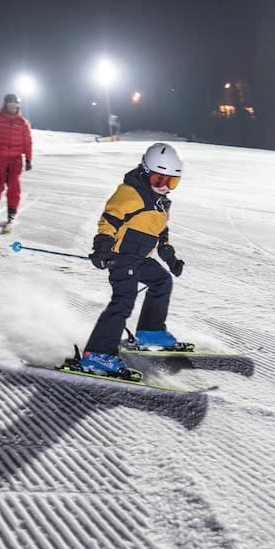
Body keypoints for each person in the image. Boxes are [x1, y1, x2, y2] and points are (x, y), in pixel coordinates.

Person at [80, 142, 186, 376]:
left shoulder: (161, 203)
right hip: (122, 258)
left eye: (172, 182)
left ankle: (150, 332)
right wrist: (103, 247)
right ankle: (97, 355)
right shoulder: (130, 193)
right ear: (146, 172)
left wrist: (170, 258)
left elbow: (161, 233)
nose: (164, 186)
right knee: (124, 300)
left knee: (162, 281)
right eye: (159, 179)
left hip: (140, 258)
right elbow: (109, 220)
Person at [0, 93, 33, 229]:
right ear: (5, 104)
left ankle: (12, 213)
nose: (12, 106)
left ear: (18, 105)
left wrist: (28, 159)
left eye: (14, 104)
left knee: (14, 184)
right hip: (1, 157)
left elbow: (27, 142)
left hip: (16, 159)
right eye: (9, 103)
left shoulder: (23, 122)